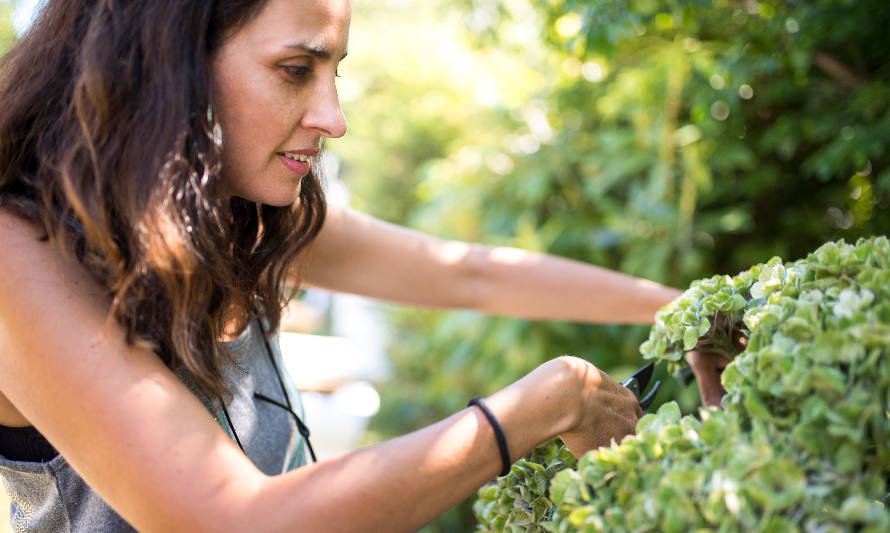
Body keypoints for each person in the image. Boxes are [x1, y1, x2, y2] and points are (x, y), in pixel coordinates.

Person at [0, 0, 724, 530]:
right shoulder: (16, 255)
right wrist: (544, 402)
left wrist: (691, 308)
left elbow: (467, 272)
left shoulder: (236, 213)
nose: (334, 116)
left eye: (334, 71)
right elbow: (227, 519)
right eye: (295, 69)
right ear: (168, 62)